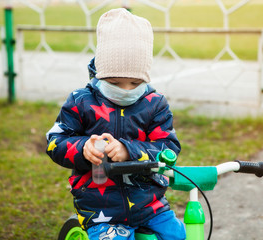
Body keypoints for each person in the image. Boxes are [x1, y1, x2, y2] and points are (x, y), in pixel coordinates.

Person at [46, 8, 186, 240]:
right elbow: (55, 142)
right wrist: (83, 148)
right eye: (115, 81)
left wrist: (128, 151)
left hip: (150, 205)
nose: (126, 90)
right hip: (102, 211)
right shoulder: (81, 101)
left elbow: (168, 148)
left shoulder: (155, 104)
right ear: (101, 72)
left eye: (135, 81)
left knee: (179, 236)